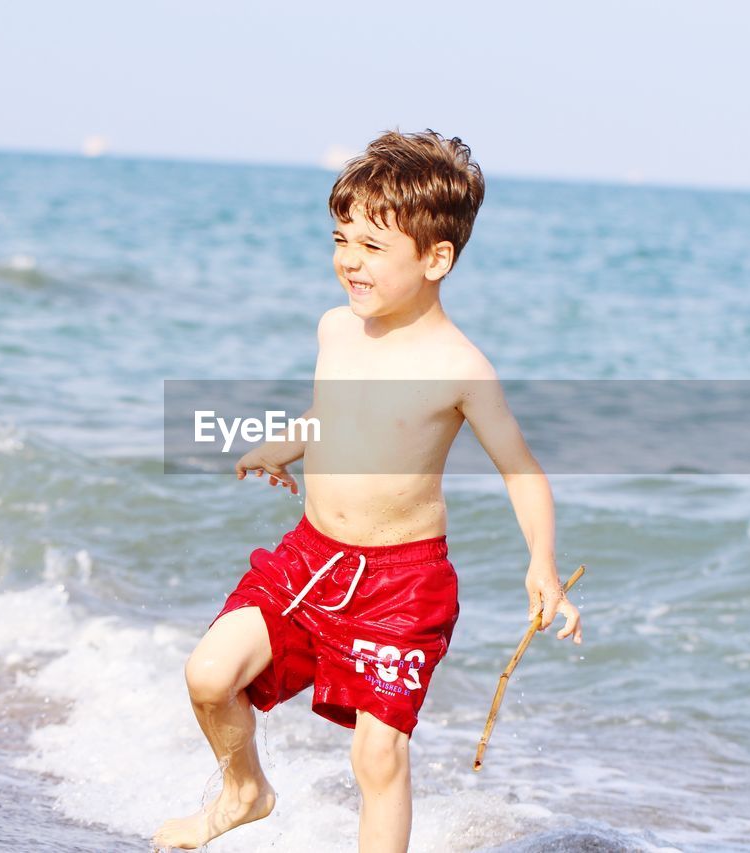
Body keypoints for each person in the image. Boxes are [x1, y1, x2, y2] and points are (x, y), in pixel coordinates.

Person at [153, 130, 583, 852]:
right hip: (309, 557)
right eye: (341, 237)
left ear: (436, 258)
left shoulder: (459, 366)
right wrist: (288, 441)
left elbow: (521, 468)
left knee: (376, 756)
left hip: (401, 584)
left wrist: (542, 565)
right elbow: (339, 416)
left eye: (373, 246)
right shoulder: (336, 330)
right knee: (208, 674)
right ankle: (244, 788)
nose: (349, 259)